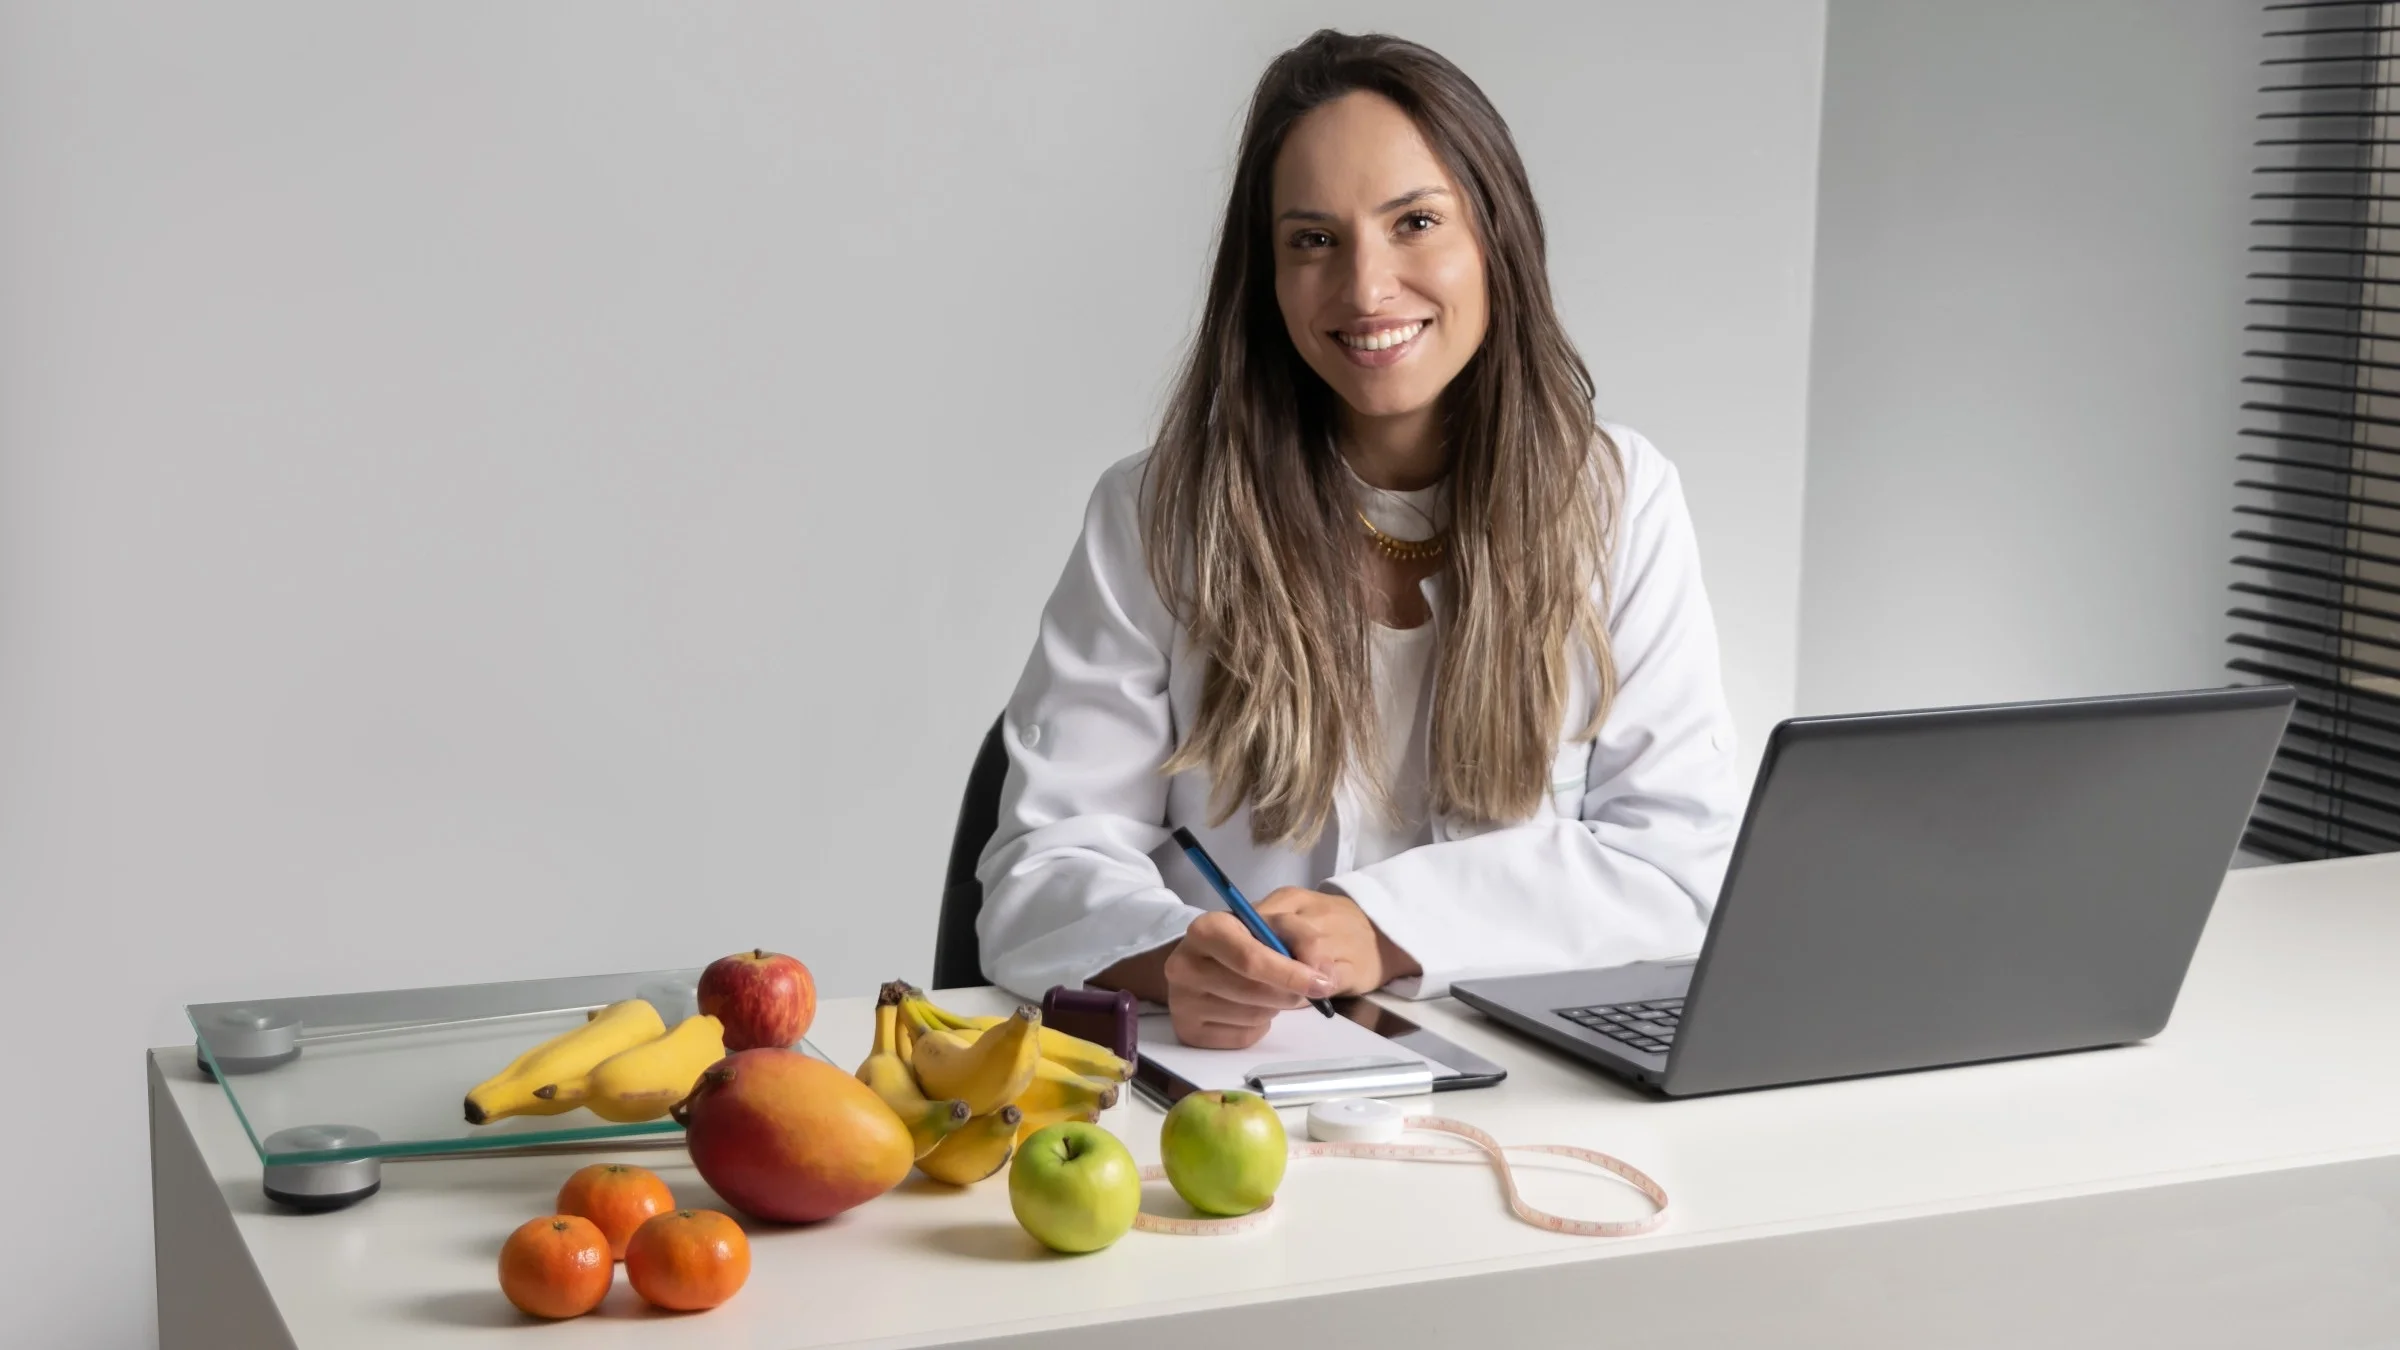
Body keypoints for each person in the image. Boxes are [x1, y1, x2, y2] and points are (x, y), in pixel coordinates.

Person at [975, 30, 1743, 1050]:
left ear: (1494, 238)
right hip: (1235, 1082)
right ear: (1270, 277)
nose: (1367, 289)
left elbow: (1677, 866)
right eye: (1312, 240)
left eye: (1415, 222)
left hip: (1526, 1084)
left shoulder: (1619, 498)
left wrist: (1384, 929)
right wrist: (1175, 958)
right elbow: (1041, 869)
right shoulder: (1156, 515)